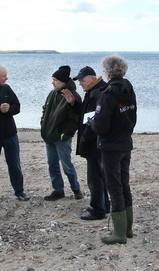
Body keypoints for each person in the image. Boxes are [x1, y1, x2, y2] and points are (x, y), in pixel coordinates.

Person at [91, 55, 137, 244]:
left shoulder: (108, 94)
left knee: (114, 186)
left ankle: (119, 233)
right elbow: (132, 117)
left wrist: (93, 122)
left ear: (108, 73)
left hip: (112, 146)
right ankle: (127, 229)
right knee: (123, 183)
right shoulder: (129, 89)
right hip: (125, 142)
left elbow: (101, 126)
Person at [62, 66, 110, 220]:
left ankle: (97, 209)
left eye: (83, 80)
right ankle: (105, 205)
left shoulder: (97, 93)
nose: (81, 83)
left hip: (95, 142)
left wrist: (84, 140)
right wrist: (74, 103)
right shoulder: (96, 90)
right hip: (99, 141)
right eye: (80, 80)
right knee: (100, 176)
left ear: (92, 78)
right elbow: (86, 115)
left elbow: (92, 121)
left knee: (95, 177)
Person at [0, 64, 29, 203]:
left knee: (14, 164)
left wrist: (9, 109)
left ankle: (19, 191)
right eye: (4, 76)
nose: (6, 78)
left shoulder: (7, 88)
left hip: (9, 134)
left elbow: (17, 106)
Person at [41, 65, 83, 201]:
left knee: (67, 166)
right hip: (49, 136)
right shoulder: (52, 93)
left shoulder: (73, 95)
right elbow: (45, 110)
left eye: (56, 80)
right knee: (52, 165)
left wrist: (66, 134)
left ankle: (76, 189)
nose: (53, 82)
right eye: (53, 80)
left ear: (64, 82)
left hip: (61, 138)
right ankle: (58, 190)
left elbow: (76, 118)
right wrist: (43, 125)